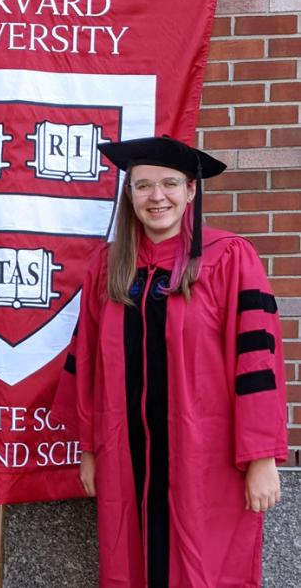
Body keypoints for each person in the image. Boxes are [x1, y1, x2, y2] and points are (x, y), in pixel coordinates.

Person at [53, 136, 287, 587]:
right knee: (130, 564)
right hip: (126, 454)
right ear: (129, 194)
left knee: (207, 565)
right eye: (143, 186)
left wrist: (261, 458)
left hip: (209, 458)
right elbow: (88, 367)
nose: (156, 196)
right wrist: (89, 449)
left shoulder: (230, 258)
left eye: (169, 184)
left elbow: (258, 362)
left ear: (191, 190)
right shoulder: (108, 266)